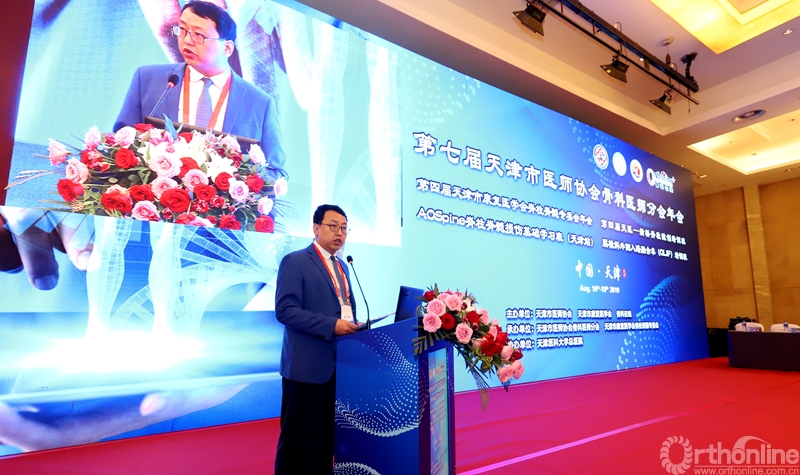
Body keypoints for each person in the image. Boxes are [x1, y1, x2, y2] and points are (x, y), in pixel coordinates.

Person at [113, 1, 286, 179]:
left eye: (198, 35)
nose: (187, 40)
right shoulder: (148, 79)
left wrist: (240, 184)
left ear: (227, 48)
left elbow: (276, 173)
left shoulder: (259, 103)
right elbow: (119, 146)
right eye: (182, 30)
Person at [274, 204, 359, 474]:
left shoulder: (342, 266)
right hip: (306, 369)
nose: (340, 233)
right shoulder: (296, 261)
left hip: (338, 368)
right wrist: (332, 325)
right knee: (297, 444)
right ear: (315, 228)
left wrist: (354, 325)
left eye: (344, 228)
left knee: (324, 443)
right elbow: (285, 310)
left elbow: (343, 306)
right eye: (333, 226)